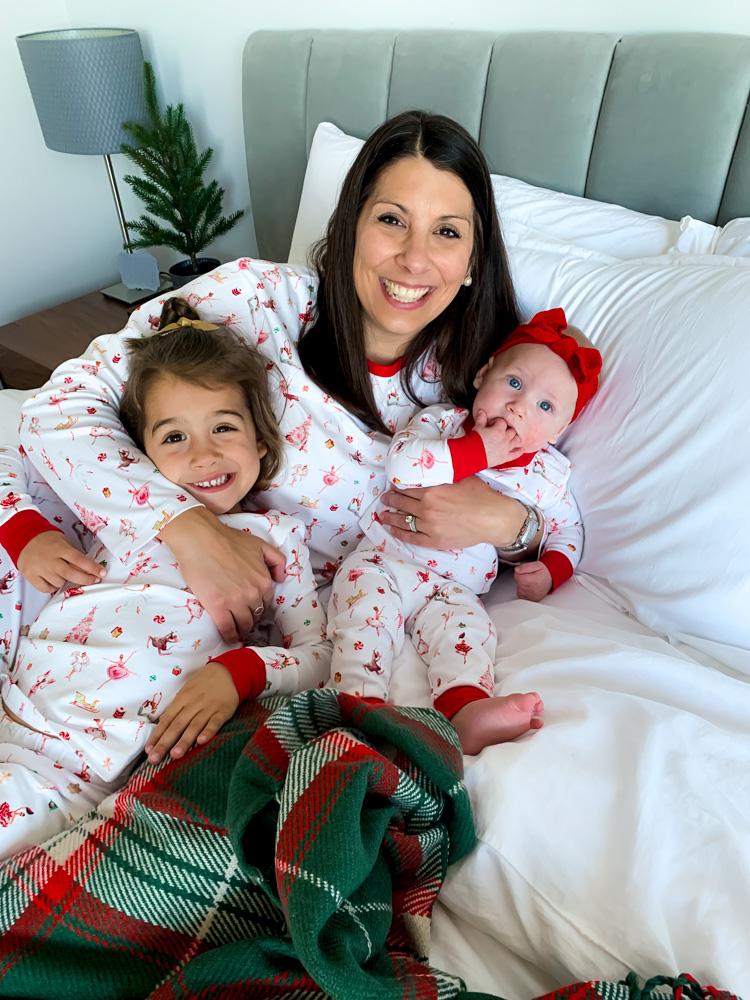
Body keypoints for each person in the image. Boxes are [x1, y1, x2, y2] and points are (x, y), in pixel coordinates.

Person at [16, 110, 558, 721]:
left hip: (244, 630)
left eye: (447, 232)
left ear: (472, 260)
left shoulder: (498, 380)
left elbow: (556, 515)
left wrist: (509, 522)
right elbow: (58, 408)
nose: (414, 259)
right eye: (391, 220)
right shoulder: (255, 303)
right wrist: (189, 528)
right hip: (116, 556)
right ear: (352, 225)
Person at [0, 301, 329, 859]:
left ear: (261, 446)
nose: (203, 454)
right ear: (140, 457)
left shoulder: (277, 539)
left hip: (83, 762)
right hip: (18, 703)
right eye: (173, 438)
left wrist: (243, 672)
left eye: (223, 427)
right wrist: (25, 531)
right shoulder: (119, 508)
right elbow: (17, 457)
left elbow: (320, 654)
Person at [327, 308, 601, 754]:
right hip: (384, 561)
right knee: (363, 623)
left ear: (561, 428)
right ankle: (357, 708)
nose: (519, 406)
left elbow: (568, 529)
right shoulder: (444, 424)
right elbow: (402, 463)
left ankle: (468, 709)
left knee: (470, 635)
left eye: (545, 406)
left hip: (455, 590)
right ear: (482, 374)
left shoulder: (547, 474)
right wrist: (478, 449)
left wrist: (553, 568)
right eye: (514, 383)